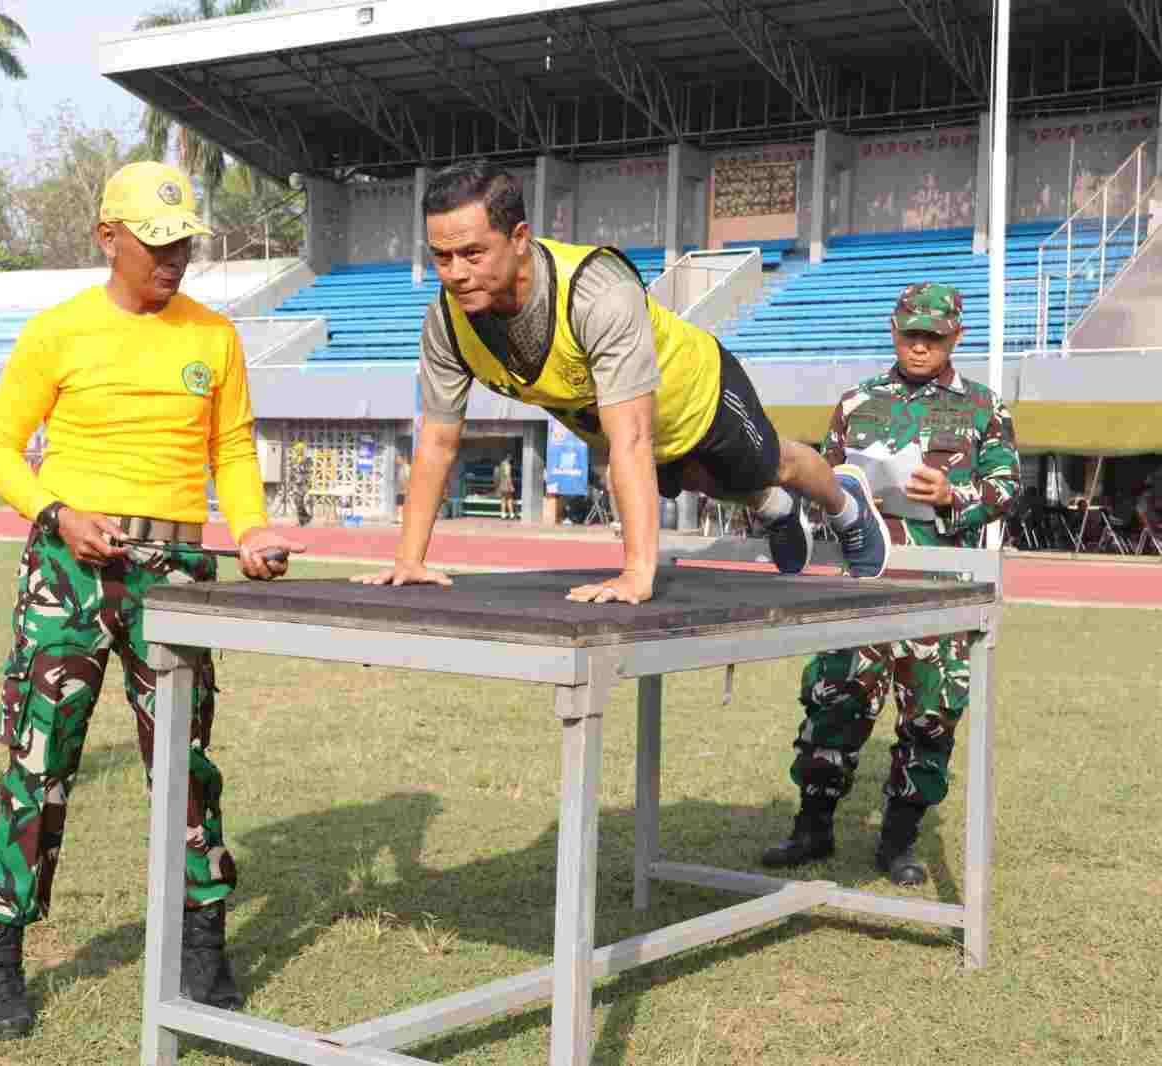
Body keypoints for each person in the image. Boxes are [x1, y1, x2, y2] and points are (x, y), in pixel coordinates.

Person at [0, 160, 305, 1039]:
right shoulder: (56, 331)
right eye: (155, 243)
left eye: (184, 240)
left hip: (176, 570)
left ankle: (203, 947)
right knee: (40, 759)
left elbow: (230, 448)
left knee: (184, 764)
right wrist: (57, 511)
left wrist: (256, 526)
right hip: (68, 566)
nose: (173, 257)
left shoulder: (214, 336)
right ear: (106, 239)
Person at [353, 160, 889, 604]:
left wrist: (637, 573)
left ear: (519, 238)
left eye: (472, 253)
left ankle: (845, 504)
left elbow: (631, 440)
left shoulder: (594, 291)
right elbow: (438, 441)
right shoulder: (445, 322)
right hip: (636, 433)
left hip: (699, 391)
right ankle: (772, 507)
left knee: (775, 463)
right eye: (440, 257)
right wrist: (409, 560)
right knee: (700, 481)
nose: (456, 273)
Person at [759, 283, 1020, 886]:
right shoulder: (857, 403)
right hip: (862, 583)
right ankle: (812, 828)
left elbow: (1007, 488)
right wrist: (840, 498)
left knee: (929, 714)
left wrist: (956, 496)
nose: (921, 346)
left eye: (934, 335)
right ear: (893, 330)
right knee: (834, 701)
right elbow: (822, 478)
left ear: (957, 336)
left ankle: (899, 842)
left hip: (937, 587)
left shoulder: (984, 408)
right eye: (911, 334)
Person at [494, 452, 517, 519]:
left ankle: (503, 514)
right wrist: (511, 485)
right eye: (511, 457)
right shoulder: (507, 465)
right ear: (508, 457)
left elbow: (498, 474)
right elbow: (508, 475)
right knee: (509, 499)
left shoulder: (501, 464)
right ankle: (511, 514)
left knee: (503, 499)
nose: (511, 458)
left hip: (502, 483)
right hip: (506, 484)